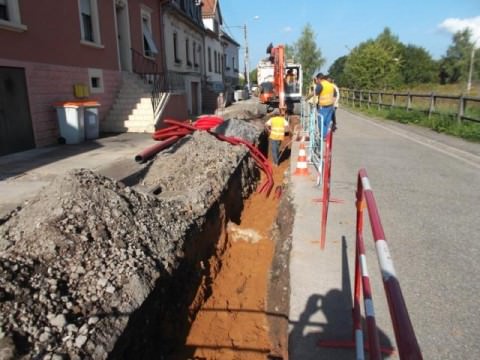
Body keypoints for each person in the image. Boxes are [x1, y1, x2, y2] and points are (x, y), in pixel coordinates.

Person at [315, 73, 337, 138]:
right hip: (330, 106)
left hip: (323, 106)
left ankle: (324, 136)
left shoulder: (320, 85)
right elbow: (335, 95)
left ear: (319, 79)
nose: (317, 81)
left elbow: (315, 93)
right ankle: (327, 135)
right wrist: (333, 102)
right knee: (327, 121)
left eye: (317, 80)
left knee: (321, 121)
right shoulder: (331, 85)